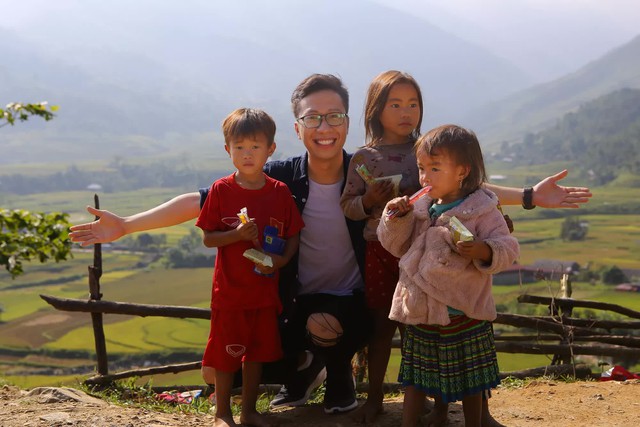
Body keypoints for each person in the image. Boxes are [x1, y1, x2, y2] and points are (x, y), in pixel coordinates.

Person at [69, 74, 592, 416]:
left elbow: (452, 184)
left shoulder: (366, 169)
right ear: (297, 128)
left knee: (344, 327)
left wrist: (527, 196)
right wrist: (127, 226)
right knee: (229, 363)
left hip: (359, 300)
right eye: (314, 118)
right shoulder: (279, 178)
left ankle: (339, 375)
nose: (325, 126)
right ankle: (305, 368)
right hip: (290, 301)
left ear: (347, 121)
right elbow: (202, 201)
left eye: (334, 116)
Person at [377, 124, 520, 427]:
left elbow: (507, 247)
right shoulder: (421, 208)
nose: (424, 177)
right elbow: (396, 245)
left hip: (463, 312)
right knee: (416, 378)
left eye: (435, 168)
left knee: (471, 381)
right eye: (421, 168)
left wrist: (483, 250)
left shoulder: (482, 210)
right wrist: (395, 217)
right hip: (421, 309)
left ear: (462, 171)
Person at [195, 108, 304, 427]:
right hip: (229, 292)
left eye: (255, 147)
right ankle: (222, 413)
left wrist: (281, 261)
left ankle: (249, 412)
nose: (247, 154)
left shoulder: (279, 192)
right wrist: (237, 235)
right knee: (227, 355)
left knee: (255, 354)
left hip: (264, 292)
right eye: (239, 147)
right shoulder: (221, 190)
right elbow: (208, 239)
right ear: (227, 149)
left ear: (270, 149)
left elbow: (293, 232)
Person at [339, 70, 423, 423]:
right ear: (376, 110)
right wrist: (370, 198)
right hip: (379, 250)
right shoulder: (364, 158)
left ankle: (420, 400)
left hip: (420, 250)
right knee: (380, 328)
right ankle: (374, 398)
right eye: (396, 104)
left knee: (418, 329)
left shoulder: (426, 149)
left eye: (413, 104)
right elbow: (348, 205)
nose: (407, 112)